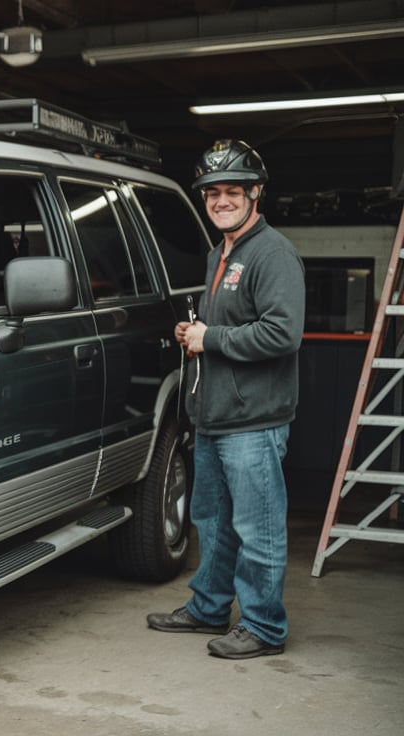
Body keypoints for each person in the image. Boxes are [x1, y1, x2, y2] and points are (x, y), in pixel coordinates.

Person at [147, 139, 305, 659]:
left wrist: (209, 339)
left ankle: (263, 627)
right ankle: (209, 607)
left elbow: (283, 334)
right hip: (214, 416)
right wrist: (195, 332)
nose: (220, 201)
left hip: (254, 421)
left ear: (255, 193)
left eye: (232, 192)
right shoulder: (222, 252)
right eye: (212, 193)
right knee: (210, 521)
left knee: (257, 527)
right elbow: (231, 326)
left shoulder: (273, 253)